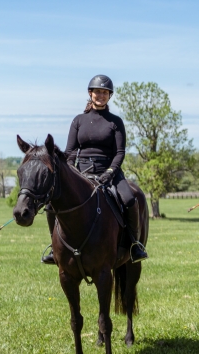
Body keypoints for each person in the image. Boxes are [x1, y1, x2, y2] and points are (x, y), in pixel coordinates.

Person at [42, 74, 147, 265]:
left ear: (110, 96)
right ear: (90, 94)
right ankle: (53, 246)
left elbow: (120, 153)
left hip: (109, 171)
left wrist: (110, 172)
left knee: (130, 200)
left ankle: (134, 245)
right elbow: (71, 152)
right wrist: (70, 172)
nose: (101, 95)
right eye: (97, 91)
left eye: (105, 92)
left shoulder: (115, 122)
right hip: (81, 171)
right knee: (51, 205)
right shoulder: (78, 121)